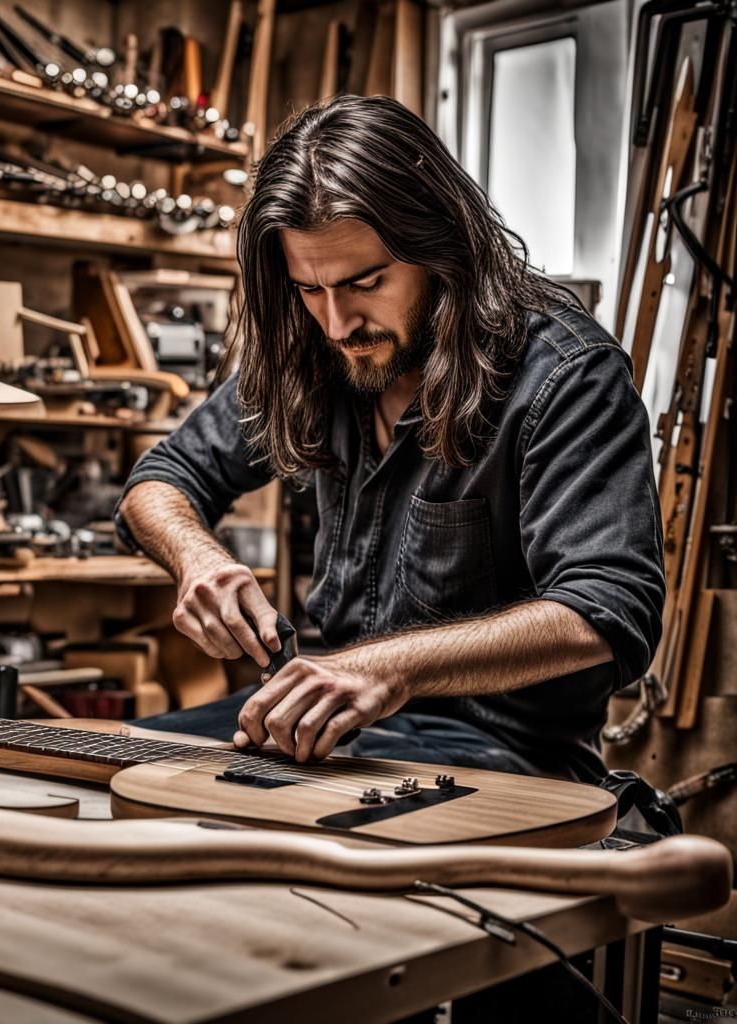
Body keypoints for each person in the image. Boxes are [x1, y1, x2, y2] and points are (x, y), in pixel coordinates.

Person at [115, 95, 664, 782]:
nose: (339, 322)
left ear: (441, 249)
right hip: (333, 729)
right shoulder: (318, 353)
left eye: (366, 282)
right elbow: (161, 479)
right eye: (310, 290)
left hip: (509, 757)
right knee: (119, 768)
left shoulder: (565, 375)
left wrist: (388, 669)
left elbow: (608, 608)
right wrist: (198, 560)